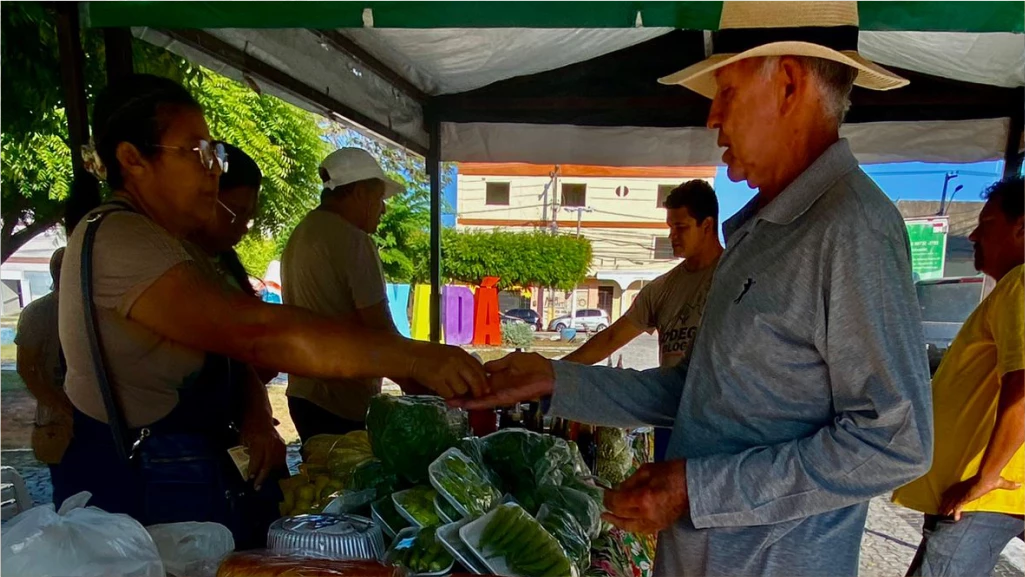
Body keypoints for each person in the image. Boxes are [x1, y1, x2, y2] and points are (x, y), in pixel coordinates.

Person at [457, 2, 933, 576]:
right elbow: (702, 393)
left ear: (787, 83)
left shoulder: (850, 227)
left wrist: (695, 489)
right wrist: (559, 379)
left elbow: (894, 441)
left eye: (726, 91)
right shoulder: (763, 234)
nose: (712, 117)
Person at [57, 74, 486, 546]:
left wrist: (256, 414)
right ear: (132, 159)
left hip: (180, 472)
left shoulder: (175, 243)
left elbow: (228, 348)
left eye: (214, 154)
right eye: (196, 153)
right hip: (136, 491)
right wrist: (413, 359)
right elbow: (256, 333)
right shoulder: (122, 241)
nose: (214, 170)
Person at [893, 176, 1024, 577]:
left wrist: (983, 479)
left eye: (986, 224)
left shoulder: (1021, 283)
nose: (973, 234)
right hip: (975, 495)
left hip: (982, 499)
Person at [561, 179, 722, 462]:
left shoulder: (736, 278)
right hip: (670, 420)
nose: (673, 235)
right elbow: (611, 339)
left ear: (707, 225)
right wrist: (553, 372)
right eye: (670, 227)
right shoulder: (662, 289)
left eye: (681, 227)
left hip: (719, 425)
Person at [281, 148, 410, 443]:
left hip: (304, 393)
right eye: (379, 199)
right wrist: (418, 380)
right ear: (361, 194)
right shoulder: (353, 239)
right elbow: (379, 327)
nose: (383, 209)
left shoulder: (303, 232)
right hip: (340, 400)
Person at [185, 142, 286, 490]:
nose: (244, 227)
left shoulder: (222, 263)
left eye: (249, 216)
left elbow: (242, 362)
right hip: (188, 453)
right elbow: (249, 339)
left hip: (227, 438)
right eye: (236, 213)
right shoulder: (174, 267)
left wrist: (257, 414)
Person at [16, 248, 71, 496]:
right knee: (65, 488)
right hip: (58, 420)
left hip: (98, 414)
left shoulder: (97, 307)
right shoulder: (38, 312)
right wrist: (58, 406)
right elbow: (26, 367)